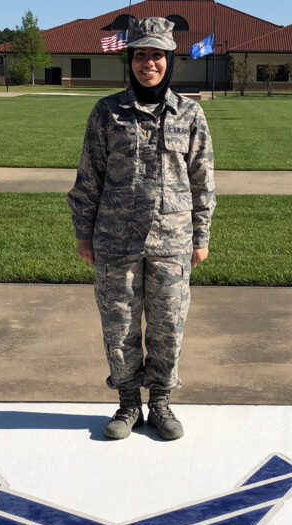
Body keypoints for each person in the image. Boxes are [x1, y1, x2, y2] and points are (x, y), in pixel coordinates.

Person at [67, 17, 215, 440]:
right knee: (120, 327)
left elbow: (203, 179)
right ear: (129, 60)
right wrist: (84, 233)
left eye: (156, 55)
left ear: (170, 60)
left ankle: (161, 402)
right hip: (116, 241)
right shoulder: (107, 112)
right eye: (140, 55)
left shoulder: (189, 113)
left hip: (173, 242)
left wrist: (201, 236)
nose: (148, 63)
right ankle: (129, 403)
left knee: (168, 327)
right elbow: (89, 177)